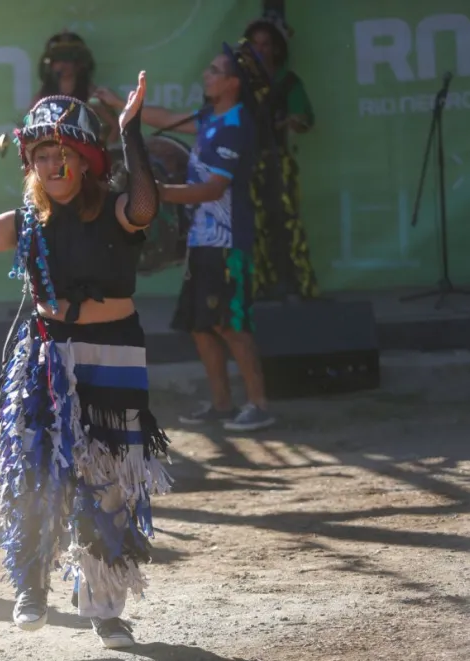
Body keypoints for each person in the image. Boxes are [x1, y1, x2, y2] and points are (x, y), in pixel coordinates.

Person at [0, 73, 172, 650]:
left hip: (114, 358)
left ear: (83, 160)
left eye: (61, 155)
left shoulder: (116, 211)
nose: (51, 166)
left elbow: (146, 204)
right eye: (39, 156)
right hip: (48, 361)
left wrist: (130, 129)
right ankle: (31, 585)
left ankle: (106, 611)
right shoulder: (29, 218)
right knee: (36, 474)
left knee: (109, 485)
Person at [160, 42, 276, 433]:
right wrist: (127, 110)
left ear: (232, 83)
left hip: (228, 243)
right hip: (200, 241)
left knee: (232, 324)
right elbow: (170, 119)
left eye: (213, 70)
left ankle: (259, 404)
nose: (205, 75)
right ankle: (222, 404)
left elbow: (213, 189)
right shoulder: (209, 117)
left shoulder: (238, 124)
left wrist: (160, 192)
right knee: (200, 325)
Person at [244, 11, 318, 300]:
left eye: (266, 44)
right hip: (246, 165)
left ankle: (298, 287)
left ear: (276, 47)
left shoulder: (288, 82)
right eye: (255, 44)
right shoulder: (239, 83)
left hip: (279, 163)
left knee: (287, 225)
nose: (260, 49)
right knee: (254, 228)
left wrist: (291, 122)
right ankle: (259, 288)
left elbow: (305, 118)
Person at [35, 30, 119, 143]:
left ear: (80, 64)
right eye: (57, 60)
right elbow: (29, 129)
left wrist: (103, 155)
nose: (63, 64)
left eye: (69, 59)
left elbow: (114, 126)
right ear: (50, 65)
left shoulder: (92, 94)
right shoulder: (42, 96)